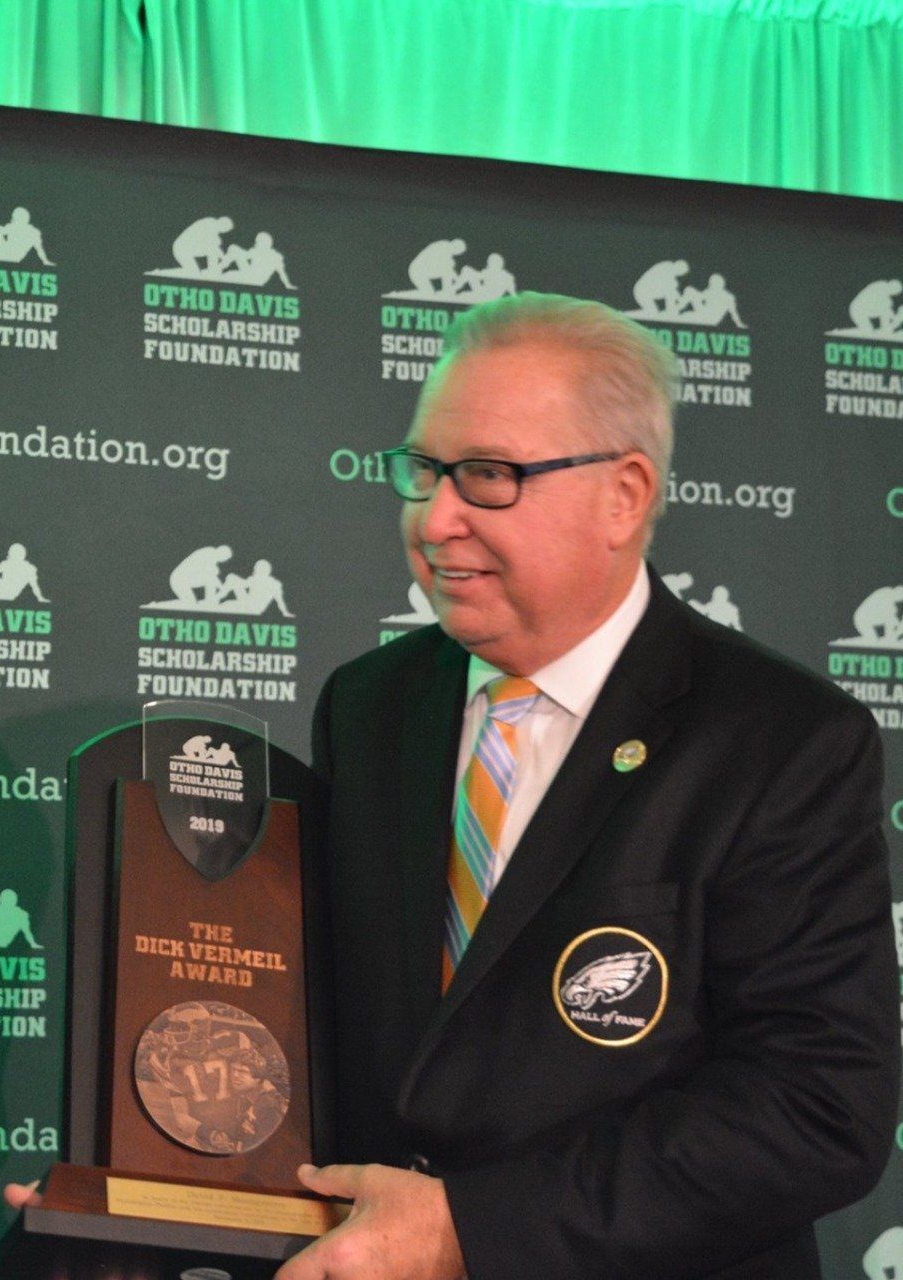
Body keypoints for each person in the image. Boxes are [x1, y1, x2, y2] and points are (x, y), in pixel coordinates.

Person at [290, 293, 896, 1280]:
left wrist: (467, 1230)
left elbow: (816, 1107)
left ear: (623, 496)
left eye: (488, 476)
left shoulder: (782, 740)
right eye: (423, 470)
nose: (435, 518)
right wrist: (150, 1189)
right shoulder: (368, 704)